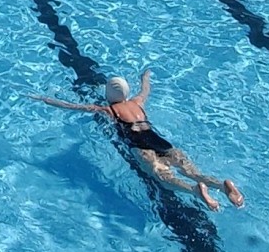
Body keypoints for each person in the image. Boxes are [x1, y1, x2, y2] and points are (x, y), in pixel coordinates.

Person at [30, 70, 244, 211]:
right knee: (191, 170)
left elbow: (75, 107)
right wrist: (146, 77)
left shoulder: (109, 110)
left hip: (140, 145)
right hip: (159, 140)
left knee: (162, 177)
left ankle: (194, 191)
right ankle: (221, 186)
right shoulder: (137, 102)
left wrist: (46, 100)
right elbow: (145, 90)